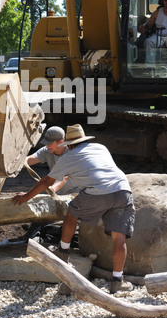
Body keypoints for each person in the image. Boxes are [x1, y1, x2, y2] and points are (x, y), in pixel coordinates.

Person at [12, 124, 136, 294]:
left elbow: (47, 181)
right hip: (123, 190)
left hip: (98, 191)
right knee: (119, 238)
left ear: (67, 144)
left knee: (72, 213)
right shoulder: (100, 147)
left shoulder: (68, 157)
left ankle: (63, 251)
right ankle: (117, 280)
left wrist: (26, 197)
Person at [26, 126, 78, 195]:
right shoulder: (47, 150)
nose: (47, 146)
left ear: (61, 142)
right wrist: (22, 162)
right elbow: (29, 159)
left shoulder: (71, 153)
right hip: (59, 192)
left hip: (76, 192)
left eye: (50, 143)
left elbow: (64, 177)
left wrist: (53, 188)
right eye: (46, 143)